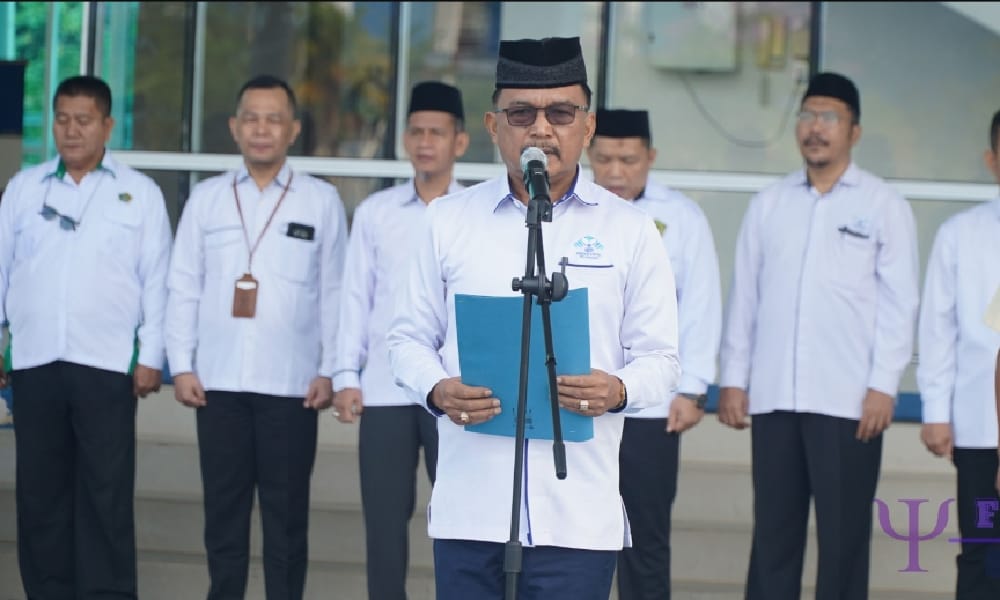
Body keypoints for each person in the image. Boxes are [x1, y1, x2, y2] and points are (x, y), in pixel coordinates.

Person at [386, 36, 680, 600]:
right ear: (495, 126)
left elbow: (662, 361)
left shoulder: (631, 229)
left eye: (560, 113)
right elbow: (406, 340)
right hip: (472, 509)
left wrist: (618, 388)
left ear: (587, 128)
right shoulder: (447, 220)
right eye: (522, 113)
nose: (541, 130)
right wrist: (437, 388)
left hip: (576, 514)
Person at [717, 71, 920, 599]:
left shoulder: (883, 206)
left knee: (844, 538)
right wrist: (734, 379)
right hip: (775, 396)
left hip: (848, 399)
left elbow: (901, 305)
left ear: (853, 131)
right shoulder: (769, 204)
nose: (815, 128)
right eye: (807, 115)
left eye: (829, 117)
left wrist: (883, 384)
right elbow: (746, 298)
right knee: (774, 537)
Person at [165, 74, 347, 599]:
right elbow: (183, 286)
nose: (261, 129)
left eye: (273, 119)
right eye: (251, 118)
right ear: (234, 127)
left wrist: (329, 369)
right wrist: (181, 364)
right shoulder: (207, 199)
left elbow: (335, 292)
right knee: (223, 518)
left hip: (292, 387)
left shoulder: (320, 201)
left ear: (292, 130)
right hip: (217, 382)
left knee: (286, 523)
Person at [0, 74, 172, 598]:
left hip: (107, 366)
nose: (71, 131)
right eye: (62, 119)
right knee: (41, 496)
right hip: (34, 363)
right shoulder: (25, 188)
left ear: (107, 125)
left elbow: (158, 281)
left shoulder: (138, 193)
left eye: (83, 120)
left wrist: (153, 357)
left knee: (105, 498)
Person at [332, 80, 469, 600]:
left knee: (458, 520)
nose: (425, 141)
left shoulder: (476, 213)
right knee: (385, 523)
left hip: (456, 390)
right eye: (416, 131)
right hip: (386, 388)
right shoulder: (376, 213)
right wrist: (346, 375)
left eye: (437, 132)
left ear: (459, 142)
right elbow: (353, 300)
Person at [587, 108, 721, 600]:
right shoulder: (574, 209)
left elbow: (702, 305)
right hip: (582, 401)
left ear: (651, 158)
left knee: (645, 535)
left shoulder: (682, 218)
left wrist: (693, 388)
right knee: (581, 535)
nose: (616, 172)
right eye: (604, 159)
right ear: (589, 156)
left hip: (651, 405)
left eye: (628, 159)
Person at [919, 109, 1000, 599]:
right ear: (993, 160)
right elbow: (937, 328)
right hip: (978, 427)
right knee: (983, 548)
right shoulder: (961, 234)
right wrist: (934, 411)